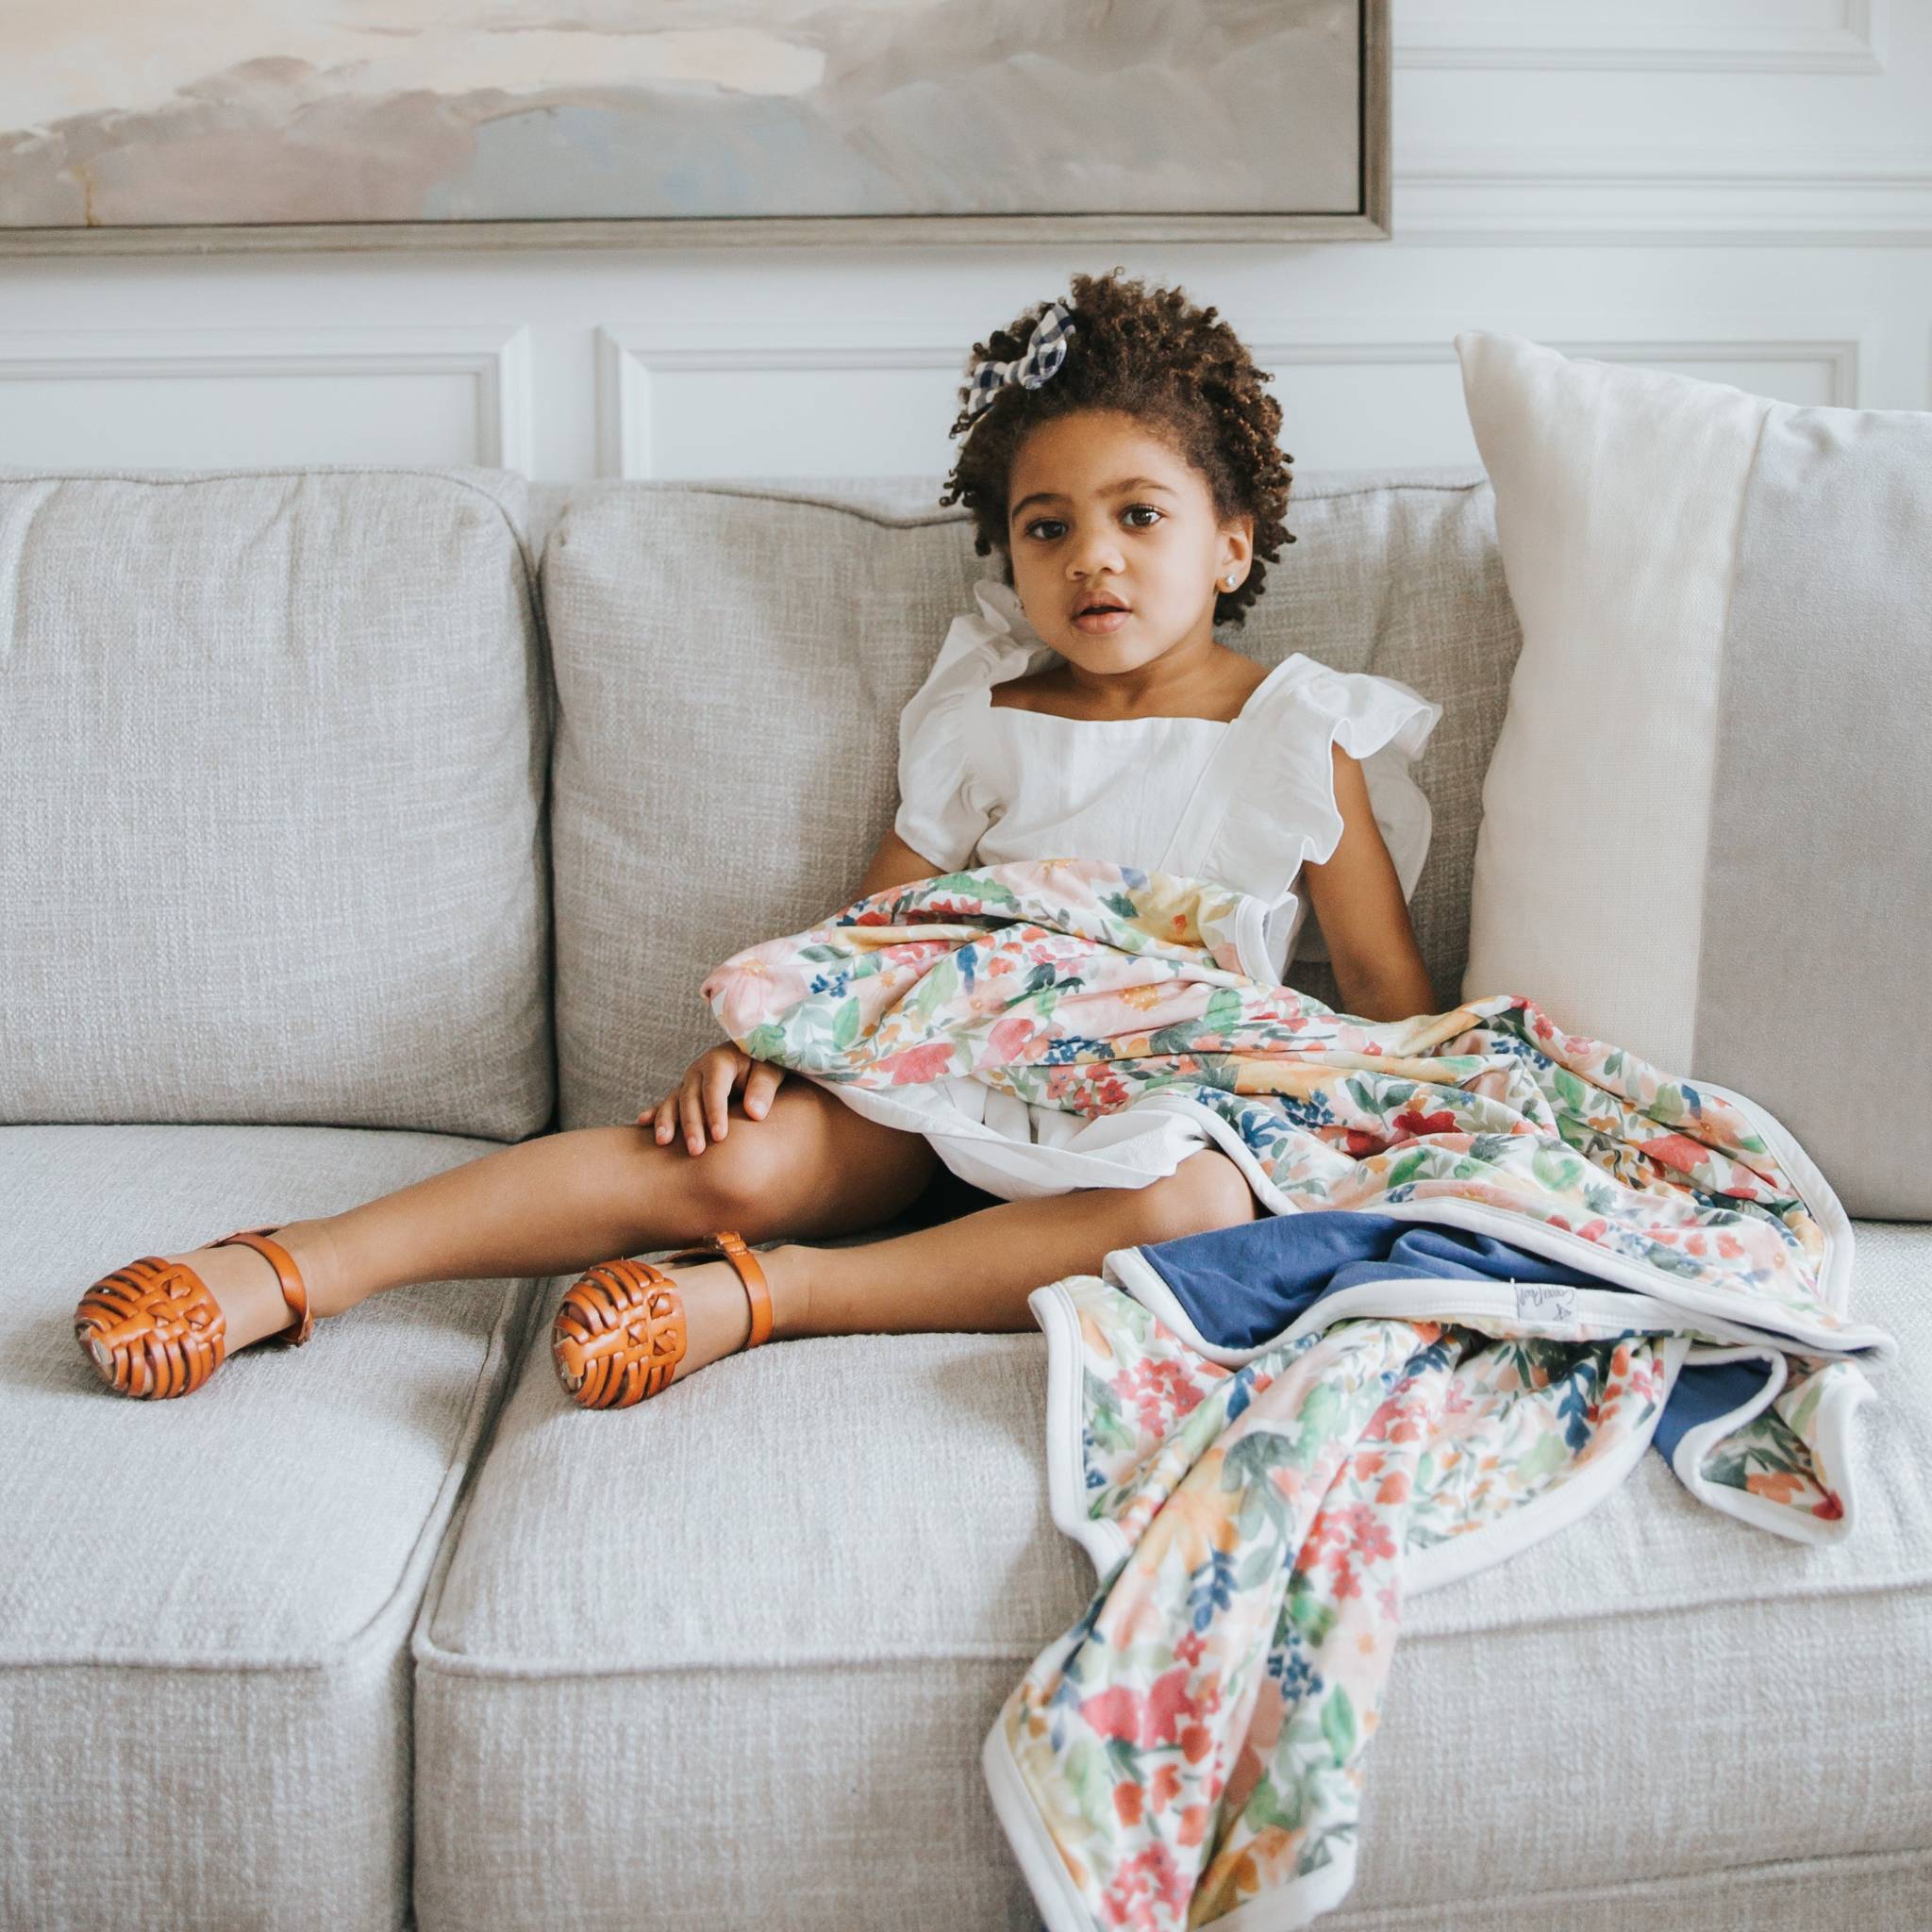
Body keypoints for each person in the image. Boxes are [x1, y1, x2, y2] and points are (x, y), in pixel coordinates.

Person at [74, 266, 1443, 1407]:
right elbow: (882, 925)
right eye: (1049, 527)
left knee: (1193, 1213)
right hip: (953, 1042)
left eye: (1140, 516)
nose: (1094, 556)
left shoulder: (1300, 729)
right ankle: (303, 1263)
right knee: (735, 1159)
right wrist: (775, 1035)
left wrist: (1383, 1149)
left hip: (1159, 1097)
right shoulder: (985, 708)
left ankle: (764, 1298)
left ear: (1231, 544)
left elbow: (1386, 1001)